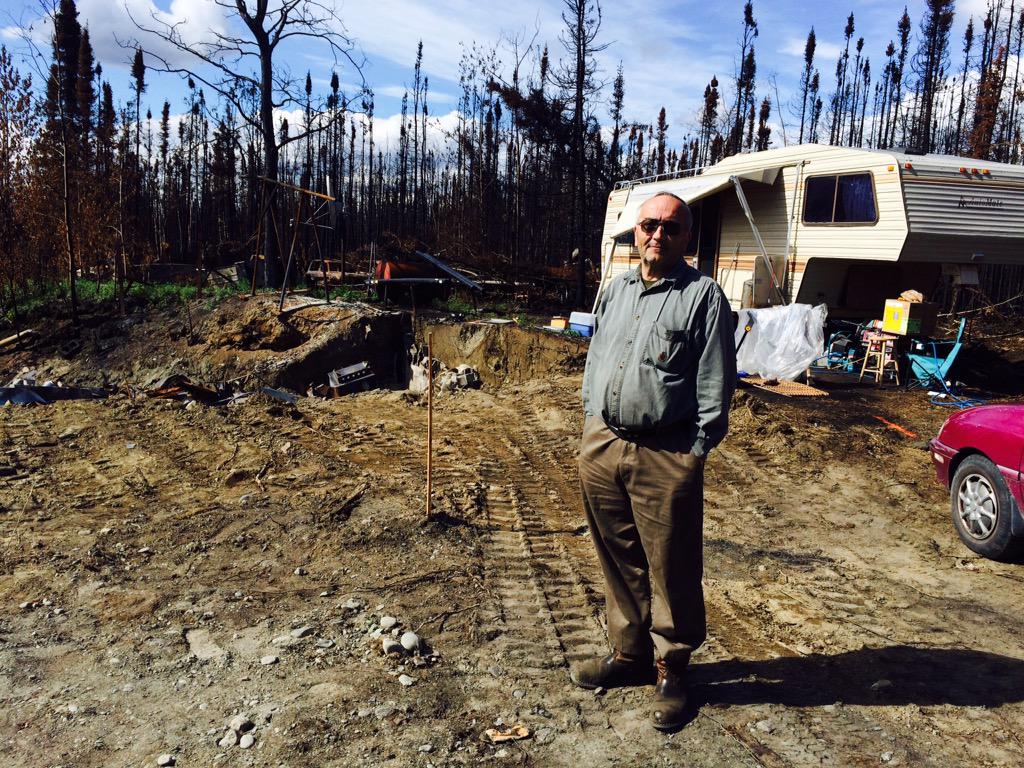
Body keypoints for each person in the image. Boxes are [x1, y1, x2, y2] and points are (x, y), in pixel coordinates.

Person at [571, 192, 736, 731]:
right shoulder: (615, 290)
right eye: (649, 225)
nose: (657, 235)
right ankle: (629, 654)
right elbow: (597, 358)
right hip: (603, 444)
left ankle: (672, 668)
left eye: (670, 227)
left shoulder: (702, 297)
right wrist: (592, 419)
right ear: (635, 232)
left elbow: (716, 380)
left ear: (686, 237)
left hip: (667, 451)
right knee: (616, 554)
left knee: (671, 565)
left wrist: (695, 448)